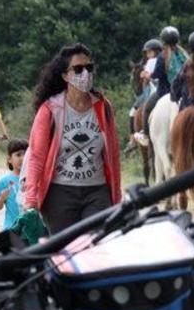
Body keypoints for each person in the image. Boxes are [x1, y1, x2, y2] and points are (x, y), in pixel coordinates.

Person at [23, 43, 121, 234]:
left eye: (89, 68)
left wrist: (116, 197)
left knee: (96, 245)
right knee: (66, 251)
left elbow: (113, 154)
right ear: (65, 75)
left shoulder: (103, 107)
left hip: (97, 191)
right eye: (78, 69)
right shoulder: (50, 110)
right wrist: (31, 199)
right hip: (59, 193)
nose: (85, 73)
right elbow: (36, 157)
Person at [138, 26, 189, 146]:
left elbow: (157, 75)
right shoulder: (184, 55)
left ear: (163, 41)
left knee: (146, 109)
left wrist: (148, 75)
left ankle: (145, 135)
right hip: (184, 92)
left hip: (165, 92)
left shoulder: (162, 56)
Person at [125, 39, 161, 152]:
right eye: (147, 52)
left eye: (150, 52)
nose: (148, 55)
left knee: (132, 112)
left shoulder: (151, 62)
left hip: (153, 90)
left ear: (156, 52)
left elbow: (148, 80)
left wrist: (144, 75)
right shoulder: (165, 60)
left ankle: (133, 140)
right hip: (166, 89)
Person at [0, 139, 28, 230]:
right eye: (18, 155)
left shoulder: (33, 178)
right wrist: (2, 198)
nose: (23, 158)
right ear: (9, 159)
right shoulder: (5, 181)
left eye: (26, 154)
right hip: (12, 228)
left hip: (30, 228)